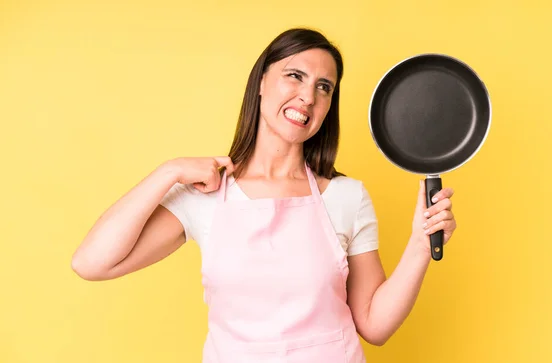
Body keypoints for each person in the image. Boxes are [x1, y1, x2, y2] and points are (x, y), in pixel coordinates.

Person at [71, 27, 457, 362]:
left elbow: (374, 325)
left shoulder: (346, 197)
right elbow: (92, 263)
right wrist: (168, 172)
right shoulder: (202, 196)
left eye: (324, 87)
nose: (308, 96)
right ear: (260, 82)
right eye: (295, 76)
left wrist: (420, 246)